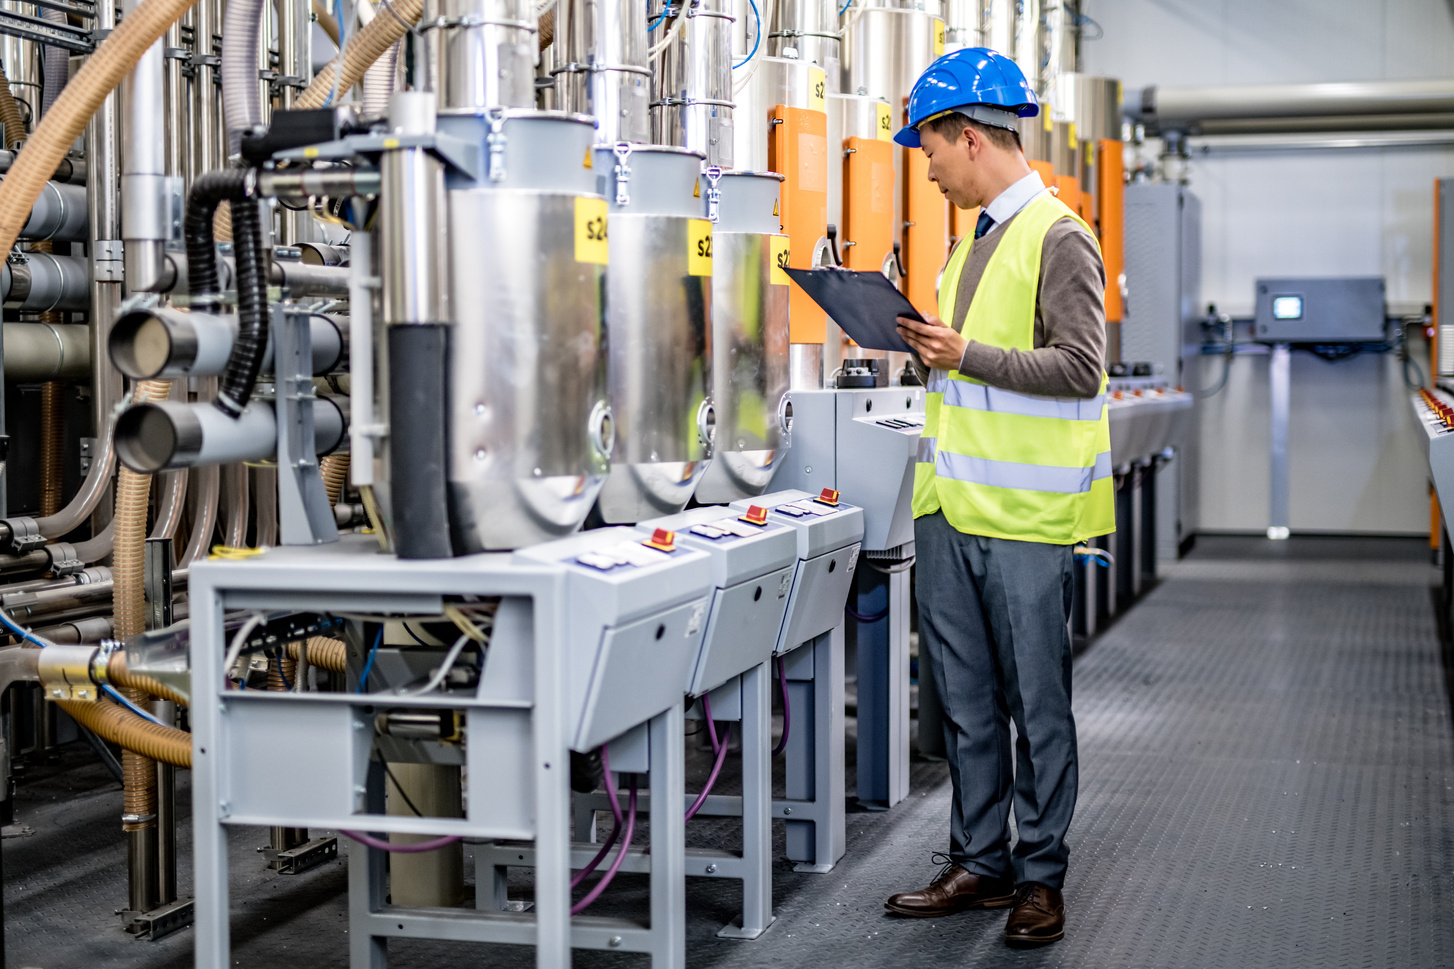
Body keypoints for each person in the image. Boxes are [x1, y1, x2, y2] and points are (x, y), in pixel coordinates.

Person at [881, 47, 1114, 948]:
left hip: (1023, 518)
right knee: (967, 699)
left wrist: (960, 354)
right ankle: (980, 861)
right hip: (950, 506)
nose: (929, 167)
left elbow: (1081, 368)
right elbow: (967, 370)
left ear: (967, 136)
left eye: (930, 149)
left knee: (1035, 702)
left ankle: (1040, 875)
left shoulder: (1059, 235)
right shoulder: (965, 244)